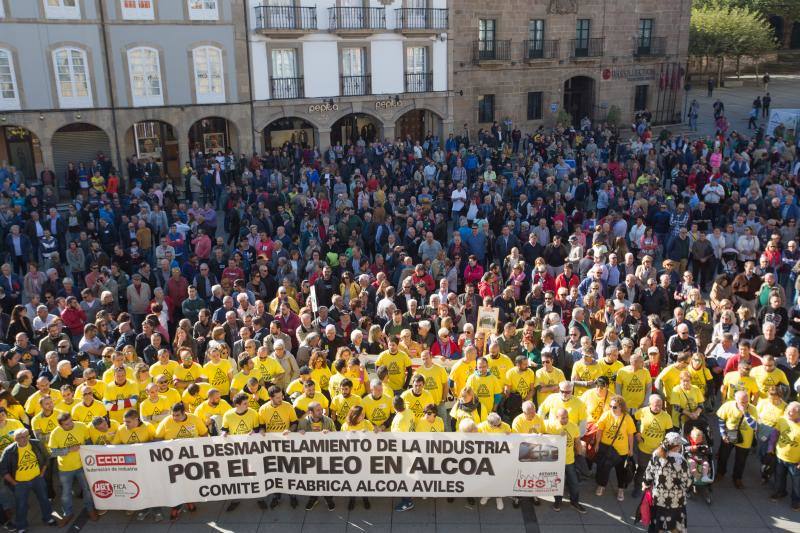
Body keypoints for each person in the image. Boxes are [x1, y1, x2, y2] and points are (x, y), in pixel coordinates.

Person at [0, 428, 58, 531]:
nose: (23, 439)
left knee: (44, 499)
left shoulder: (37, 444)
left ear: (29, 436)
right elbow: (3, 470)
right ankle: (21, 526)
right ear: (15, 439)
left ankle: (48, 518)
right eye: (19, 437)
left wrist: (42, 473)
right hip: (20, 483)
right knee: (21, 505)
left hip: (37, 479)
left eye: (25, 436)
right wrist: (14, 483)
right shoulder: (9, 451)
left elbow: (46, 458)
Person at [47, 412, 98, 524]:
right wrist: (68, 450)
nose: (71, 425)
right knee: (66, 493)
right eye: (67, 424)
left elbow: (89, 441)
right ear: (60, 425)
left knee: (87, 490)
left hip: (83, 465)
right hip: (65, 469)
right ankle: (67, 514)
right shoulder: (55, 433)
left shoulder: (81, 426)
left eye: (71, 421)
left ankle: (90, 510)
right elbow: (52, 453)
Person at [643, 432, 692, 533]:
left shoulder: (656, 455)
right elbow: (687, 481)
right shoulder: (681, 461)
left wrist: (647, 484)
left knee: (658, 524)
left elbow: (648, 474)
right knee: (676, 525)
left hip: (659, 498)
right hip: (676, 500)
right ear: (677, 446)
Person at [717, 390, 758, 489]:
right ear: (735, 399)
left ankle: (737, 478)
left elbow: (754, 426)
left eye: (746, 401)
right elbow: (721, 419)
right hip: (731, 434)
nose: (744, 404)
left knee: (741, 460)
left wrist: (746, 413)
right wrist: (723, 434)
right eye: (742, 402)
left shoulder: (752, 409)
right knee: (723, 455)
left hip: (746, 437)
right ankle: (720, 473)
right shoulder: (728, 406)